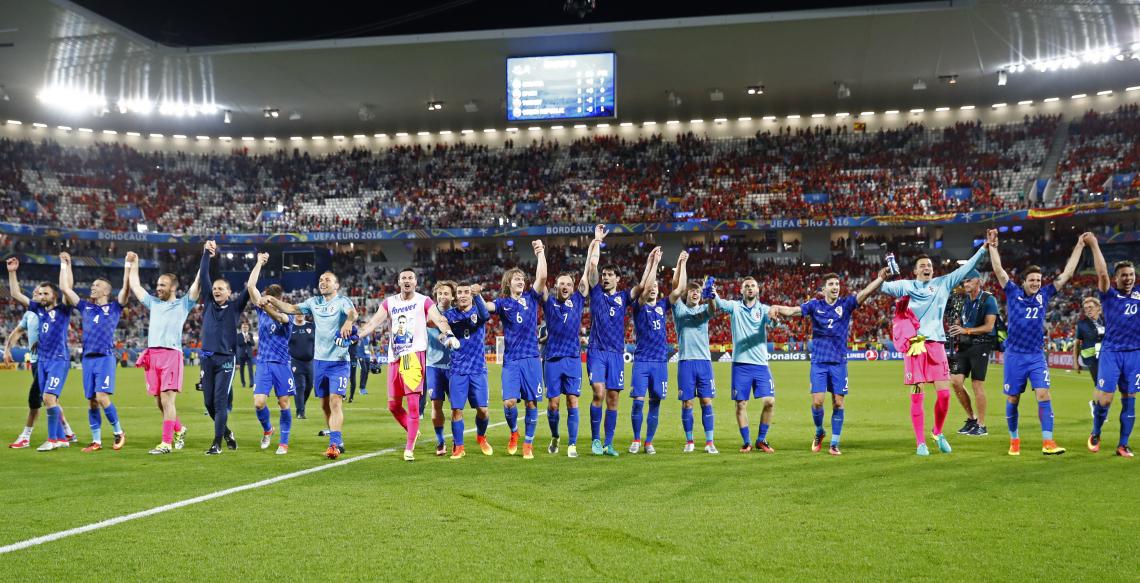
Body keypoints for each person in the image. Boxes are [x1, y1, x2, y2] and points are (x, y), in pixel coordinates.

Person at [879, 244, 989, 456]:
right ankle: (920, 442)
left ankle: (937, 433)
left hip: (936, 344)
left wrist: (983, 249)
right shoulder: (906, 286)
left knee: (945, 394)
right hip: (915, 345)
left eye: (929, 265)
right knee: (918, 394)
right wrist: (883, 275)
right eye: (922, 265)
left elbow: (966, 269)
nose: (927, 267)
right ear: (915, 271)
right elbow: (882, 287)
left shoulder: (943, 283)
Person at [769, 267, 890, 455]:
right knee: (817, 402)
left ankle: (834, 443)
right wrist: (777, 307)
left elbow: (865, 292)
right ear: (823, 289)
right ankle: (819, 432)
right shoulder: (815, 305)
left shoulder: (846, 304)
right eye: (831, 284)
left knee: (838, 403)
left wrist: (880, 279)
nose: (835, 287)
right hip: (819, 361)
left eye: (837, 284)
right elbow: (793, 311)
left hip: (839, 362)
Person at [987, 228, 1081, 456]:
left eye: (1039, 280)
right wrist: (992, 246)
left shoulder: (1045, 294)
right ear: (1024, 281)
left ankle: (1048, 442)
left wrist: (1079, 246)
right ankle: (1014, 440)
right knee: (1013, 398)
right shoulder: (1012, 292)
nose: (1036, 283)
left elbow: (1067, 274)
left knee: (1043, 394)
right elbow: (998, 270)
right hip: (1014, 355)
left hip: (1036, 355)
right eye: (1032, 280)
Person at [356, 268, 458, 462]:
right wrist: (356, 336)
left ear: (416, 282)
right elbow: (372, 324)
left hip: (413, 356)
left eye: (410, 278)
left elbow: (438, 319)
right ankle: (413, 430)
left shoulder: (424, 301)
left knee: (412, 405)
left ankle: (409, 447)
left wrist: (449, 334)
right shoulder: (390, 302)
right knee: (393, 405)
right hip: (395, 357)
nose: (407, 280)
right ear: (399, 282)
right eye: (404, 278)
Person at [263, 270, 357, 460]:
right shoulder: (313, 303)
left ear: (336, 285)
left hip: (339, 362)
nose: (323, 282)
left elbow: (353, 313)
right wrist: (272, 300)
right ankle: (337, 440)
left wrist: (347, 322)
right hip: (320, 361)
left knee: (336, 401)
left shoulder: (342, 301)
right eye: (321, 279)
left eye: (328, 280)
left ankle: (334, 444)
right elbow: (290, 309)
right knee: (324, 406)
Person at [127, 249, 203, 454]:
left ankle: (166, 443)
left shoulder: (183, 304)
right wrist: (133, 263)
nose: (158, 288)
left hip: (171, 355)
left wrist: (205, 255)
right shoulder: (154, 303)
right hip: (153, 356)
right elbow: (135, 285)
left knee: (167, 400)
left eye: (162, 285)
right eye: (158, 284)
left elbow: (198, 283)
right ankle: (179, 429)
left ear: (173, 287)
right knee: (159, 403)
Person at [585, 226, 651, 457]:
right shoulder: (596, 293)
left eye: (610, 275)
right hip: (596, 351)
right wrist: (597, 241)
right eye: (604, 275)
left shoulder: (624, 297)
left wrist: (651, 263)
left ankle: (608, 443)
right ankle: (595, 440)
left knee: (613, 398)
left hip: (616, 353)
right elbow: (592, 267)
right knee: (598, 392)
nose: (605, 277)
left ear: (618, 279)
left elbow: (642, 287)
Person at [58, 251, 129, 452]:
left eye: (97, 285)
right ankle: (96, 440)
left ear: (106, 291)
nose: (93, 287)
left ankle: (118, 432)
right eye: (92, 285)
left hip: (105, 357)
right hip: (88, 359)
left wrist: (128, 266)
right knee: (91, 401)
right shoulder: (85, 307)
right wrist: (66, 264)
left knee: (102, 396)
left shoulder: (115, 307)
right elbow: (64, 288)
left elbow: (126, 289)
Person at [484, 240, 548, 459]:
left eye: (522, 279)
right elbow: (487, 307)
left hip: (531, 357)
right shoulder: (503, 303)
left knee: (531, 402)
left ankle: (528, 444)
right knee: (509, 402)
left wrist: (540, 253)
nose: (521, 281)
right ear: (508, 283)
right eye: (516, 279)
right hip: (511, 359)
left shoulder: (532, 298)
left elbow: (542, 278)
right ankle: (514, 432)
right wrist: (473, 296)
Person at [6, 258, 77, 451]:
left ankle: (53, 439)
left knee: (47, 398)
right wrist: (12, 272)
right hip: (43, 361)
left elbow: (67, 287)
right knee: (49, 400)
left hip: (57, 360)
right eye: (41, 293)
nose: (42, 296)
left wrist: (65, 266)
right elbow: (15, 294)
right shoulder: (37, 309)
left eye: (46, 293)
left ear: (55, 295)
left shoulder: (63, 309)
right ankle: (62, 438)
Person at [1084, 233, 1139, 458]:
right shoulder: (1109, 296)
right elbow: (1101, 272)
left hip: (1135, 354)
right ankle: (1096, 431)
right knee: (1105, 399)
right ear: (1116, 278)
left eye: (1131, 274)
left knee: (1130, 399)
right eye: (1124, 275)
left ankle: (1123, 445)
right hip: (1111, 353)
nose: (1128, 278)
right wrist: (1095, 245)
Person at [542, 240, 596, 458]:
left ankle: (572, 444)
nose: (565, 287)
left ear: (573, 288)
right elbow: (540, 280)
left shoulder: (578, 300)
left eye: (568, 284)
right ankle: (555, 436)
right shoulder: (548, 302)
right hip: (552, 359)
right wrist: (540, 253)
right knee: (553, 405)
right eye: (561, 284)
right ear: (556, 287)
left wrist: (594, 244)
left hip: (573, 359)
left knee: (572, 400)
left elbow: (586, 274)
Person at [196, 242, 250, 456]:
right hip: (207, 359)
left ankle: (216, 443)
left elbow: (249, 288)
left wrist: (259, 265)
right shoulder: (208, 301)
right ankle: (227, 433)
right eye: (215, 288)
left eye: (221, 288)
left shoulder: (236, 307)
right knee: (208, 403)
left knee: (219, 402)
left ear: (229, 292)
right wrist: (206, 255)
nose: (216, 290)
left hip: (227, 359)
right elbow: (204, 276)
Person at [628, 247, 681, 453]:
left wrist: (681, 265)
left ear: (658, 290)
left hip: (660, 362)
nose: (653, 288)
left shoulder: (662, 306)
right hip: (642, 361)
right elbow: (644, 287)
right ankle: (636, 439)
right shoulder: (639, 306)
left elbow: (678, 291)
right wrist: (653, 264)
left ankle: (649, 442)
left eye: (656, 286)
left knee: (655, 402)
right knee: (638, 403)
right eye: (651, 286)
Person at [716, 277, 776, 453]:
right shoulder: (735, 307)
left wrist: (775, 319)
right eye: (746, 286)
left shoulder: (764, 309)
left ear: (758, 290)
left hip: (761, 364)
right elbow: (719, 303)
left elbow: (773, 323)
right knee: (741, 404)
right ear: (741, 291)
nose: (750, 288)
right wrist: (712, 293)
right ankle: (747, 441)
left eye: (753, 286)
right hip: (740, 364)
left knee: (769, 401)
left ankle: (761, 439)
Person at [670, 252, 719, 454]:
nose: (695, 293)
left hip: (704, 362)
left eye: (698, 291)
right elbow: (675, 289)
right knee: (687, 403)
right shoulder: (679, 310)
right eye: (691, 291)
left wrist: (712, 296)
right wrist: (681, 263)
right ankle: (689, 441)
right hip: (686, 362)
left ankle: (709, 442)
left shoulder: (705, 310)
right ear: (687, 295)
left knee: (706, 401)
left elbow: (713, 309)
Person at [4, 310, 76, 447]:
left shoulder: (52, 312)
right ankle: (68, 432)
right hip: (36, 362)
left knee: (35, 398)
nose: (38, 294)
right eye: (37, 292)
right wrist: (8, 349)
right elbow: (18, 331)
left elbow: (66, 327)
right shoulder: (29, 314)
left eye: (42, 292)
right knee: (51, 399)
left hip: (50, 360)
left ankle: (26, 436)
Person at [247, 253, 294, 455]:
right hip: (264, 362)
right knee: (258, 402)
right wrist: (259, 262)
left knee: (284, 403)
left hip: (282, 364)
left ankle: (283, 443)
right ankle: (268, 430)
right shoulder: (261, 311)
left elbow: (279, 317)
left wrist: (268, 305)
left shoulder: (286, 314)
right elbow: (251, 286)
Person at [442, 282, 494, 459]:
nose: (463, 295)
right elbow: (442, 330)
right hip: (457, 370)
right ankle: (459, 446)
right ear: (455, 296)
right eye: (460, 292)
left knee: (483, 410)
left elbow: (486, 315)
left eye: (466, 292)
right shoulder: (449, 314)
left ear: (470, 295)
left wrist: (478, 294)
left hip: (478, 369)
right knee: (456, 410)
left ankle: (481, 436)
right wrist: (446, 338)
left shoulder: (478, 311)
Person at [945, 270, 999, 437]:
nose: (966, 284)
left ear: (978, 281)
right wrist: (956, 327)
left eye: (969, 281)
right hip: (964, 345)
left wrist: (965, 330)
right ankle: (972, 419)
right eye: (964, 282)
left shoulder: (988, 299)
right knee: (955, 382)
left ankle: (982, 425)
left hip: (981, 346)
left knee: (977, 384)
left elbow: (989, 327)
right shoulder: (964, 301)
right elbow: (962, 321)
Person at [426, 281, 457, 456]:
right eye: (439, 294)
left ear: (453, 296)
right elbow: (433, 334)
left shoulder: (457, 314)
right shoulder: (429, 314)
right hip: (434, 366)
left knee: (456, 407)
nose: (442, 296)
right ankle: (440, 441)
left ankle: (456, 441)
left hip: (454, 367)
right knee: (436, 404)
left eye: (446, 293)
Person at [1073, 296, 1105, 411]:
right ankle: (1097, 409)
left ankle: (1097, 405)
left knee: (1107, 385)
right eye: (1086, 308)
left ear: (1098, 308)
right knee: (1099, 384)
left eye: (1090, 307)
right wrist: (1075, 362)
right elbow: (1076, 343)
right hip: (1091, 358)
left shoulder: (1106, 321)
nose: (1088, 310)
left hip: (1106, 357)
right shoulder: (1082, 324)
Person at [289, 314, 315, 419]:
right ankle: (300, 412)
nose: (299, 314)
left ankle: (301, 405)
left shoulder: (312, 326)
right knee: (300, 387)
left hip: (309, 362)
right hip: (295, 362)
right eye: (297, 313)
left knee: (309, 387)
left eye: (301, 312)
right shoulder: (290, 327)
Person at [236, 322, 255, 389]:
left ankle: (251, 383)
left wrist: (249, 340)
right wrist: (244, 341)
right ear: (241, 328)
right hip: (241, 355)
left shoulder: (250, 334)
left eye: (246, 327)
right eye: (243, 327)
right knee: (241, 370)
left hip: (249, 354)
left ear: (248, 328)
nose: (245, 328)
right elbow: (238, 344)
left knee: (250, 370)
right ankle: (243, 383)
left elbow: (253, 344)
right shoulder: (238, 335)